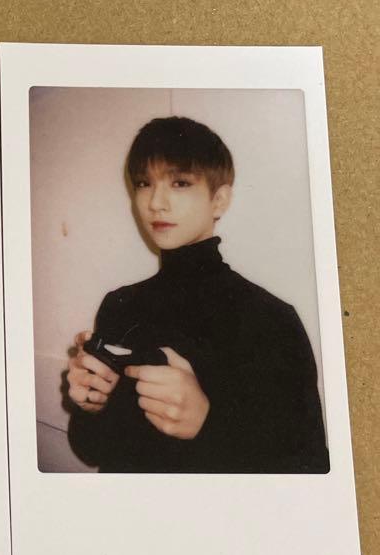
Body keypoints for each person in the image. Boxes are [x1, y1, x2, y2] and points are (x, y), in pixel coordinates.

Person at [65, 116, 328, 474]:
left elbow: (309, 470)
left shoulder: (270, 319)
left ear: (219, 200)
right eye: (144, 183)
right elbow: (93, 450)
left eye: (180, 183)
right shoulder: (120, 304)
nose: (156, 202)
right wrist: (89, 406)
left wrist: (208, 423)